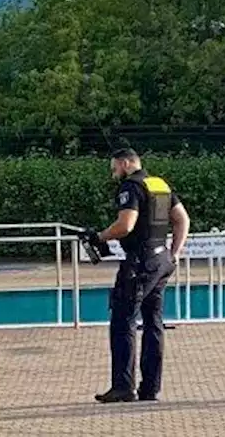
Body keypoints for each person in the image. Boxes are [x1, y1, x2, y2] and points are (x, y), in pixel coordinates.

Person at [87, 147, 190, 403]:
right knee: (153, 323)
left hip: (140, 263)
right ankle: (150, 388)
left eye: (114, 168)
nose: (113, 173)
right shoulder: (159, 184)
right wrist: (174, 253)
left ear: (125, 163)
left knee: (123, 322)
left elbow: (125, 225)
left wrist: (99, 237)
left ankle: (123, 387)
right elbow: (182, 219)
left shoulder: (130, 187)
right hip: (161, 260)